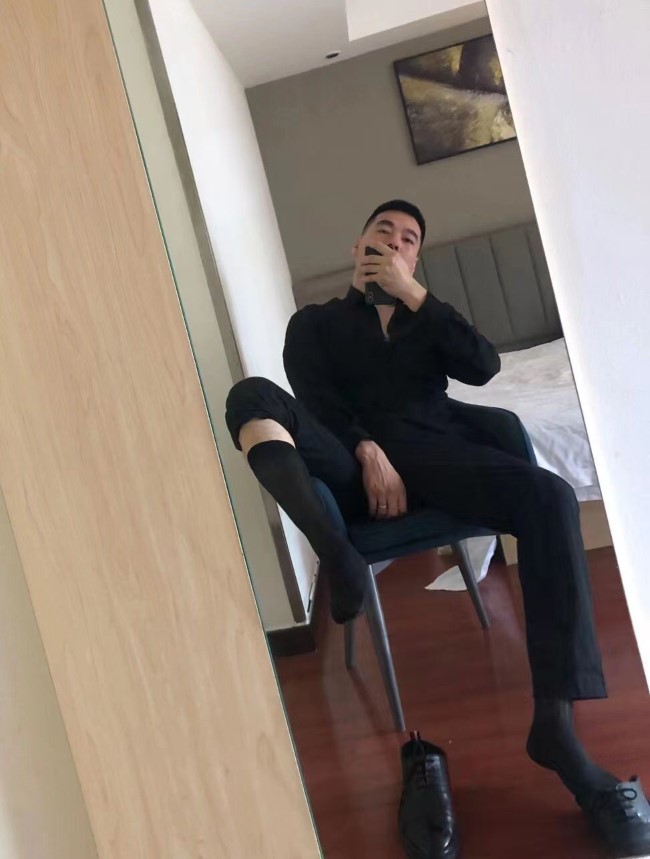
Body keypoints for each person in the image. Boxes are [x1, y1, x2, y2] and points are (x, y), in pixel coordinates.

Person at [225, 200, 650, 856]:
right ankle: (337, 554)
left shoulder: (426, 316)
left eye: (409, 239)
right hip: (355, 465)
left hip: (439, 452)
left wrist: (417, 297)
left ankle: (557, 726)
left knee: (553, 497)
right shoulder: (315, 324)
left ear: (414, 259)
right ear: (357, 246)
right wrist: (367, 448)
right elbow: (316, 402)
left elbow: (484, 366)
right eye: (383, 232)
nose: (394, 243)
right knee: (250, 395)